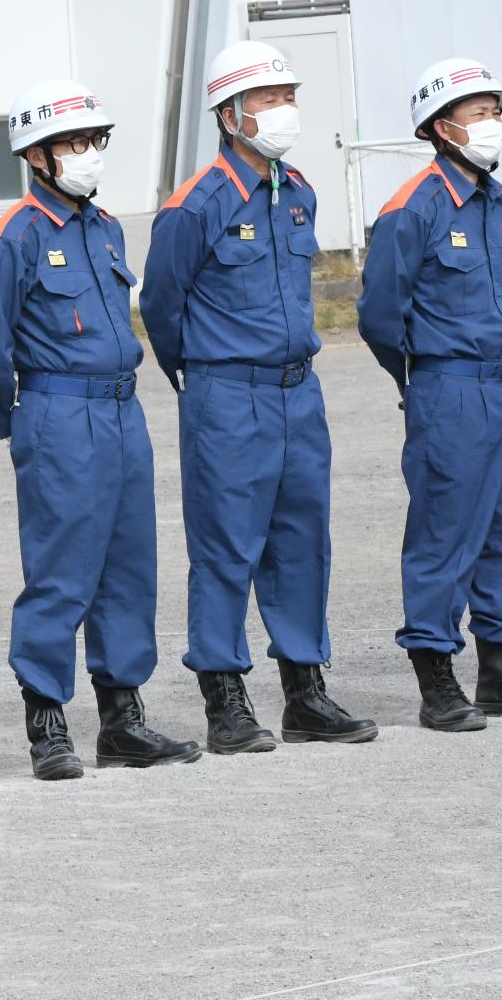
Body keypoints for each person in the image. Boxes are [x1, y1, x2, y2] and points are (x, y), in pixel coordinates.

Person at [141, 41, 376, 753]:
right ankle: (225, 699)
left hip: (296, 395)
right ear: (231, 113)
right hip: (227, 395)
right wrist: (204, 378)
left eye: (288, 97)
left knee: (304, 542)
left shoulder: (297, 189)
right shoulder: (196, 204)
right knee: (225, 547)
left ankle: (305, 692)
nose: (284, 111)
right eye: (270, 99)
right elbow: (161, 306)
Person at [0, 79, 201, 780]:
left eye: (93, 141)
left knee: (129, 566)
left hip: (122, 410)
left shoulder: (105, 228)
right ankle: (46, 723)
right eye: (73, 143)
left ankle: (123, 718)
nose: (88, 154)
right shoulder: (16, 236)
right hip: (59, 412)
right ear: (36, 155)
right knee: (61, 570)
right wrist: (15, 420)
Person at [360, 58, 502, 731]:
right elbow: (380, 315)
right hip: (451, 386)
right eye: (478, 113)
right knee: (445, 532)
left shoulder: (498, 202)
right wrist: (422, 380)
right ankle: (437, 675)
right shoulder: (413, 207)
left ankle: (500, 666)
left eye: (495, 110)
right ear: (442, 127)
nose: (492, 122)